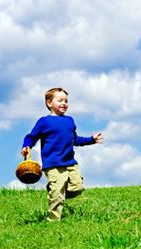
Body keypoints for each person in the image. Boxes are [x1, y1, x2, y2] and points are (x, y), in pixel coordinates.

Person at [22, 87, 103, 221]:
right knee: (57, 195)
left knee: (77, 187)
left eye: (66, 101)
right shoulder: (44, 122)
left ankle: (54, 191)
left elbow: (75, 140)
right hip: (53, 164)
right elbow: (31, 137)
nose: (64, 103)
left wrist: (91, 140)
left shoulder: (70, 120)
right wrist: (26, 146)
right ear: (49, 103)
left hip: (70, 163)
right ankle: (53, 220)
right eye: (60, 100)